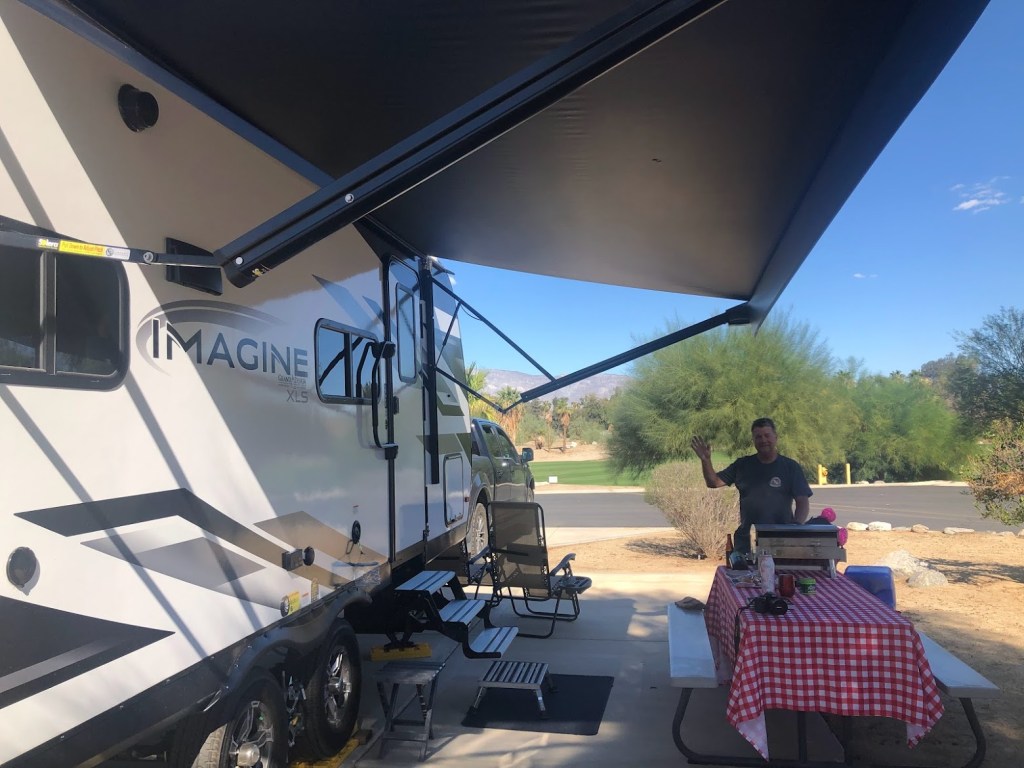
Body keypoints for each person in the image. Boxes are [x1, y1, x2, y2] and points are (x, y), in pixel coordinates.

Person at [690, 417, 811, 555]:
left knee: (779, 577)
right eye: (758, 437)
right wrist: (705, 460)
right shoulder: (742, 465)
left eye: (767, 435)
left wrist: (794, 528)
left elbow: (802, 501)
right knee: (744, 577)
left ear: (775, 437)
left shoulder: (790, 467)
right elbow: (714, 482)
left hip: (779, 541)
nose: (763, 440)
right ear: (753, 440)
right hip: (746, 541)